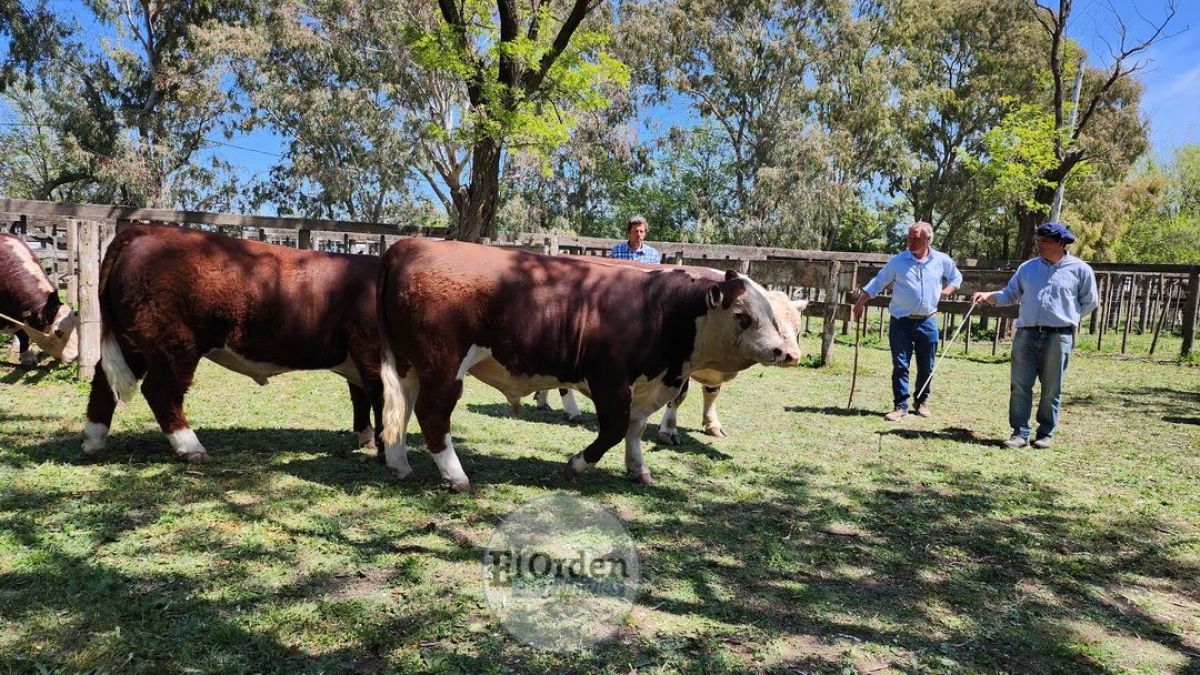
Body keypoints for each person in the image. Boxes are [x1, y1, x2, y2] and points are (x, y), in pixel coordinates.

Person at [972, 222, 1097, 449]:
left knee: (1052, 387)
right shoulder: (1027, 268)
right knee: (1020, 385)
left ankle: (1045, 433)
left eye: (1044, 241)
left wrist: (1067, 317)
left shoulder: (1080, 270)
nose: (1038, 245)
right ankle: (1020, 433)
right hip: (1026, 334)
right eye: (1037, 241)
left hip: (1058, 337)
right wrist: (989, 296)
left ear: (1060, 243)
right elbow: (1010, 294)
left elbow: (1090, 302)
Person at [852, 221, 962, 421]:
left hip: (928, 321)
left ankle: (921, 402)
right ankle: (900, 405)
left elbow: (956, 278)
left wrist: (946, 291)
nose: (910, 241)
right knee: (900, 364)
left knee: (927, 366)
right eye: (909, 237)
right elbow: (878, 281)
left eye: (916, 238)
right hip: (900, 321)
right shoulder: (898, 261)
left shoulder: (942, 260)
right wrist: (860, 302)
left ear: (928, 240)